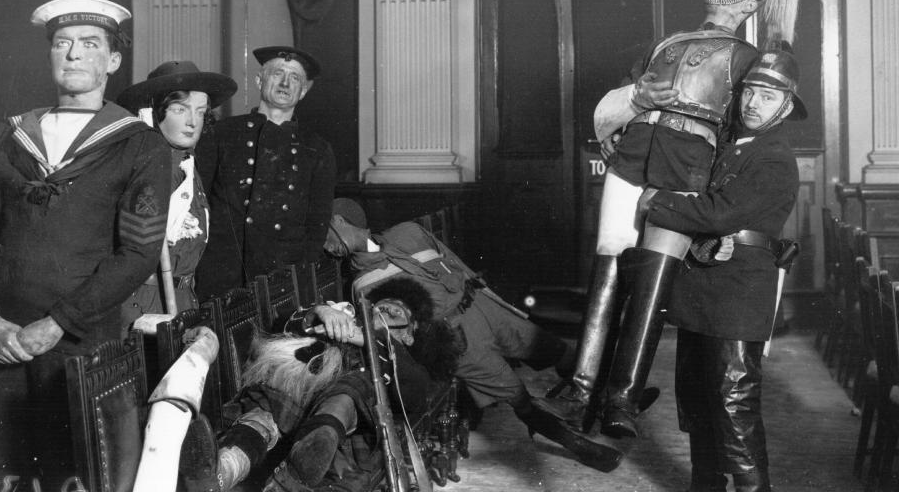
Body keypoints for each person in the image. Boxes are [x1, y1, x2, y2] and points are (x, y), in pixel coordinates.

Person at [545, 0, 805, 439]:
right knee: (608, 263)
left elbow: (741, 132)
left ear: (751, 4)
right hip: (633, 155)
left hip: (687, 168)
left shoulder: (749, 57)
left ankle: (621, 398)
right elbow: (623, 98)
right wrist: (640, 96)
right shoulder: (666, 43)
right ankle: (581, 389)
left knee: (653, 280)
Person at [0, 0, 173, 485]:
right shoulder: (8, 138)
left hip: (81, 341)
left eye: (89, 45)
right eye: (62, 43)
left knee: (75, 474)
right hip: (0, 341)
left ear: (112, 61)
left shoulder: (139, 144)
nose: (72, 55)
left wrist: (56, 323)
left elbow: (138, 253)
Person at [328, 198, 622, 473]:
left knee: (559, 351)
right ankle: (581, 447)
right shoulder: (363, 285)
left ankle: (613, 402)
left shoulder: (409, 232)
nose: (326, 248)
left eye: (325, 233)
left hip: (482, 307)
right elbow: (402, 335)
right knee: (515, 394)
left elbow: (456, 263)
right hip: (457, 340)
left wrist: (495, 299)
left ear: (340, 220)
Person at [643, 44, 805, 492]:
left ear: (786, 107)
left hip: (737, 295)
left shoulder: (773, 157)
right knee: (699, 404)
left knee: (734, 407)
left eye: (768, 98)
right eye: (750, 92)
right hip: (705, 290)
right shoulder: (735, 143)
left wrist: (656, 202)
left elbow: (717, 214)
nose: (753, 104)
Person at [180, 276, 464, 492]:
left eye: (395, 313)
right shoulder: (343, 317)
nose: (384, 310)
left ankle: (313, 447)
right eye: (380, 306)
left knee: (352, 387)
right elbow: (286, 325)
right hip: (296, 396)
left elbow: (415, 392)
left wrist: (366, 339)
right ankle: (220, 473)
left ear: (411, 334)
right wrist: (319, 312)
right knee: (265, 412)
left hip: (346, 428)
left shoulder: (404, 359)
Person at [194, 45, 336, 302]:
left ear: (303, 91)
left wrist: (300, 285)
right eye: (277, 74)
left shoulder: (316, 149)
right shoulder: (222, 134)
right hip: (222, 274)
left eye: (295, 78)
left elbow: (317, 229)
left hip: (280, 280)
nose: (285, 83)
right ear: (259, 80)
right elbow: (198, 205)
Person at [116, 60, 238, 331]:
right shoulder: (148, 166)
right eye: (179, 109)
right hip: (145, 306)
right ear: (155, 112)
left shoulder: (187, 164)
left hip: (182, 300)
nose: (192, 121)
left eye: (201, 111)